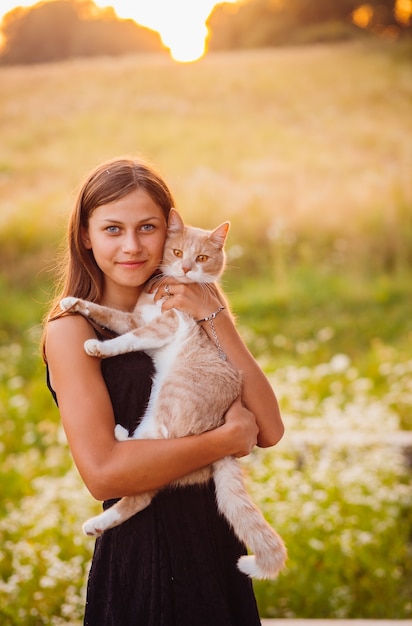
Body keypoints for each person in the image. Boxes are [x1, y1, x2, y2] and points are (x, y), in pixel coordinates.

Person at [42, 156, 284, 626]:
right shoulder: (72, 330)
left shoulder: (199, 305)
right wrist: (221, 442)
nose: (132, 246)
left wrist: (216, 315)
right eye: (113, 229)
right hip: (142, 554)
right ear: (86, 237)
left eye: (147, 227)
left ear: (170, 231)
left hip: (215, 545)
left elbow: (270, 428)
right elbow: (104, 475)